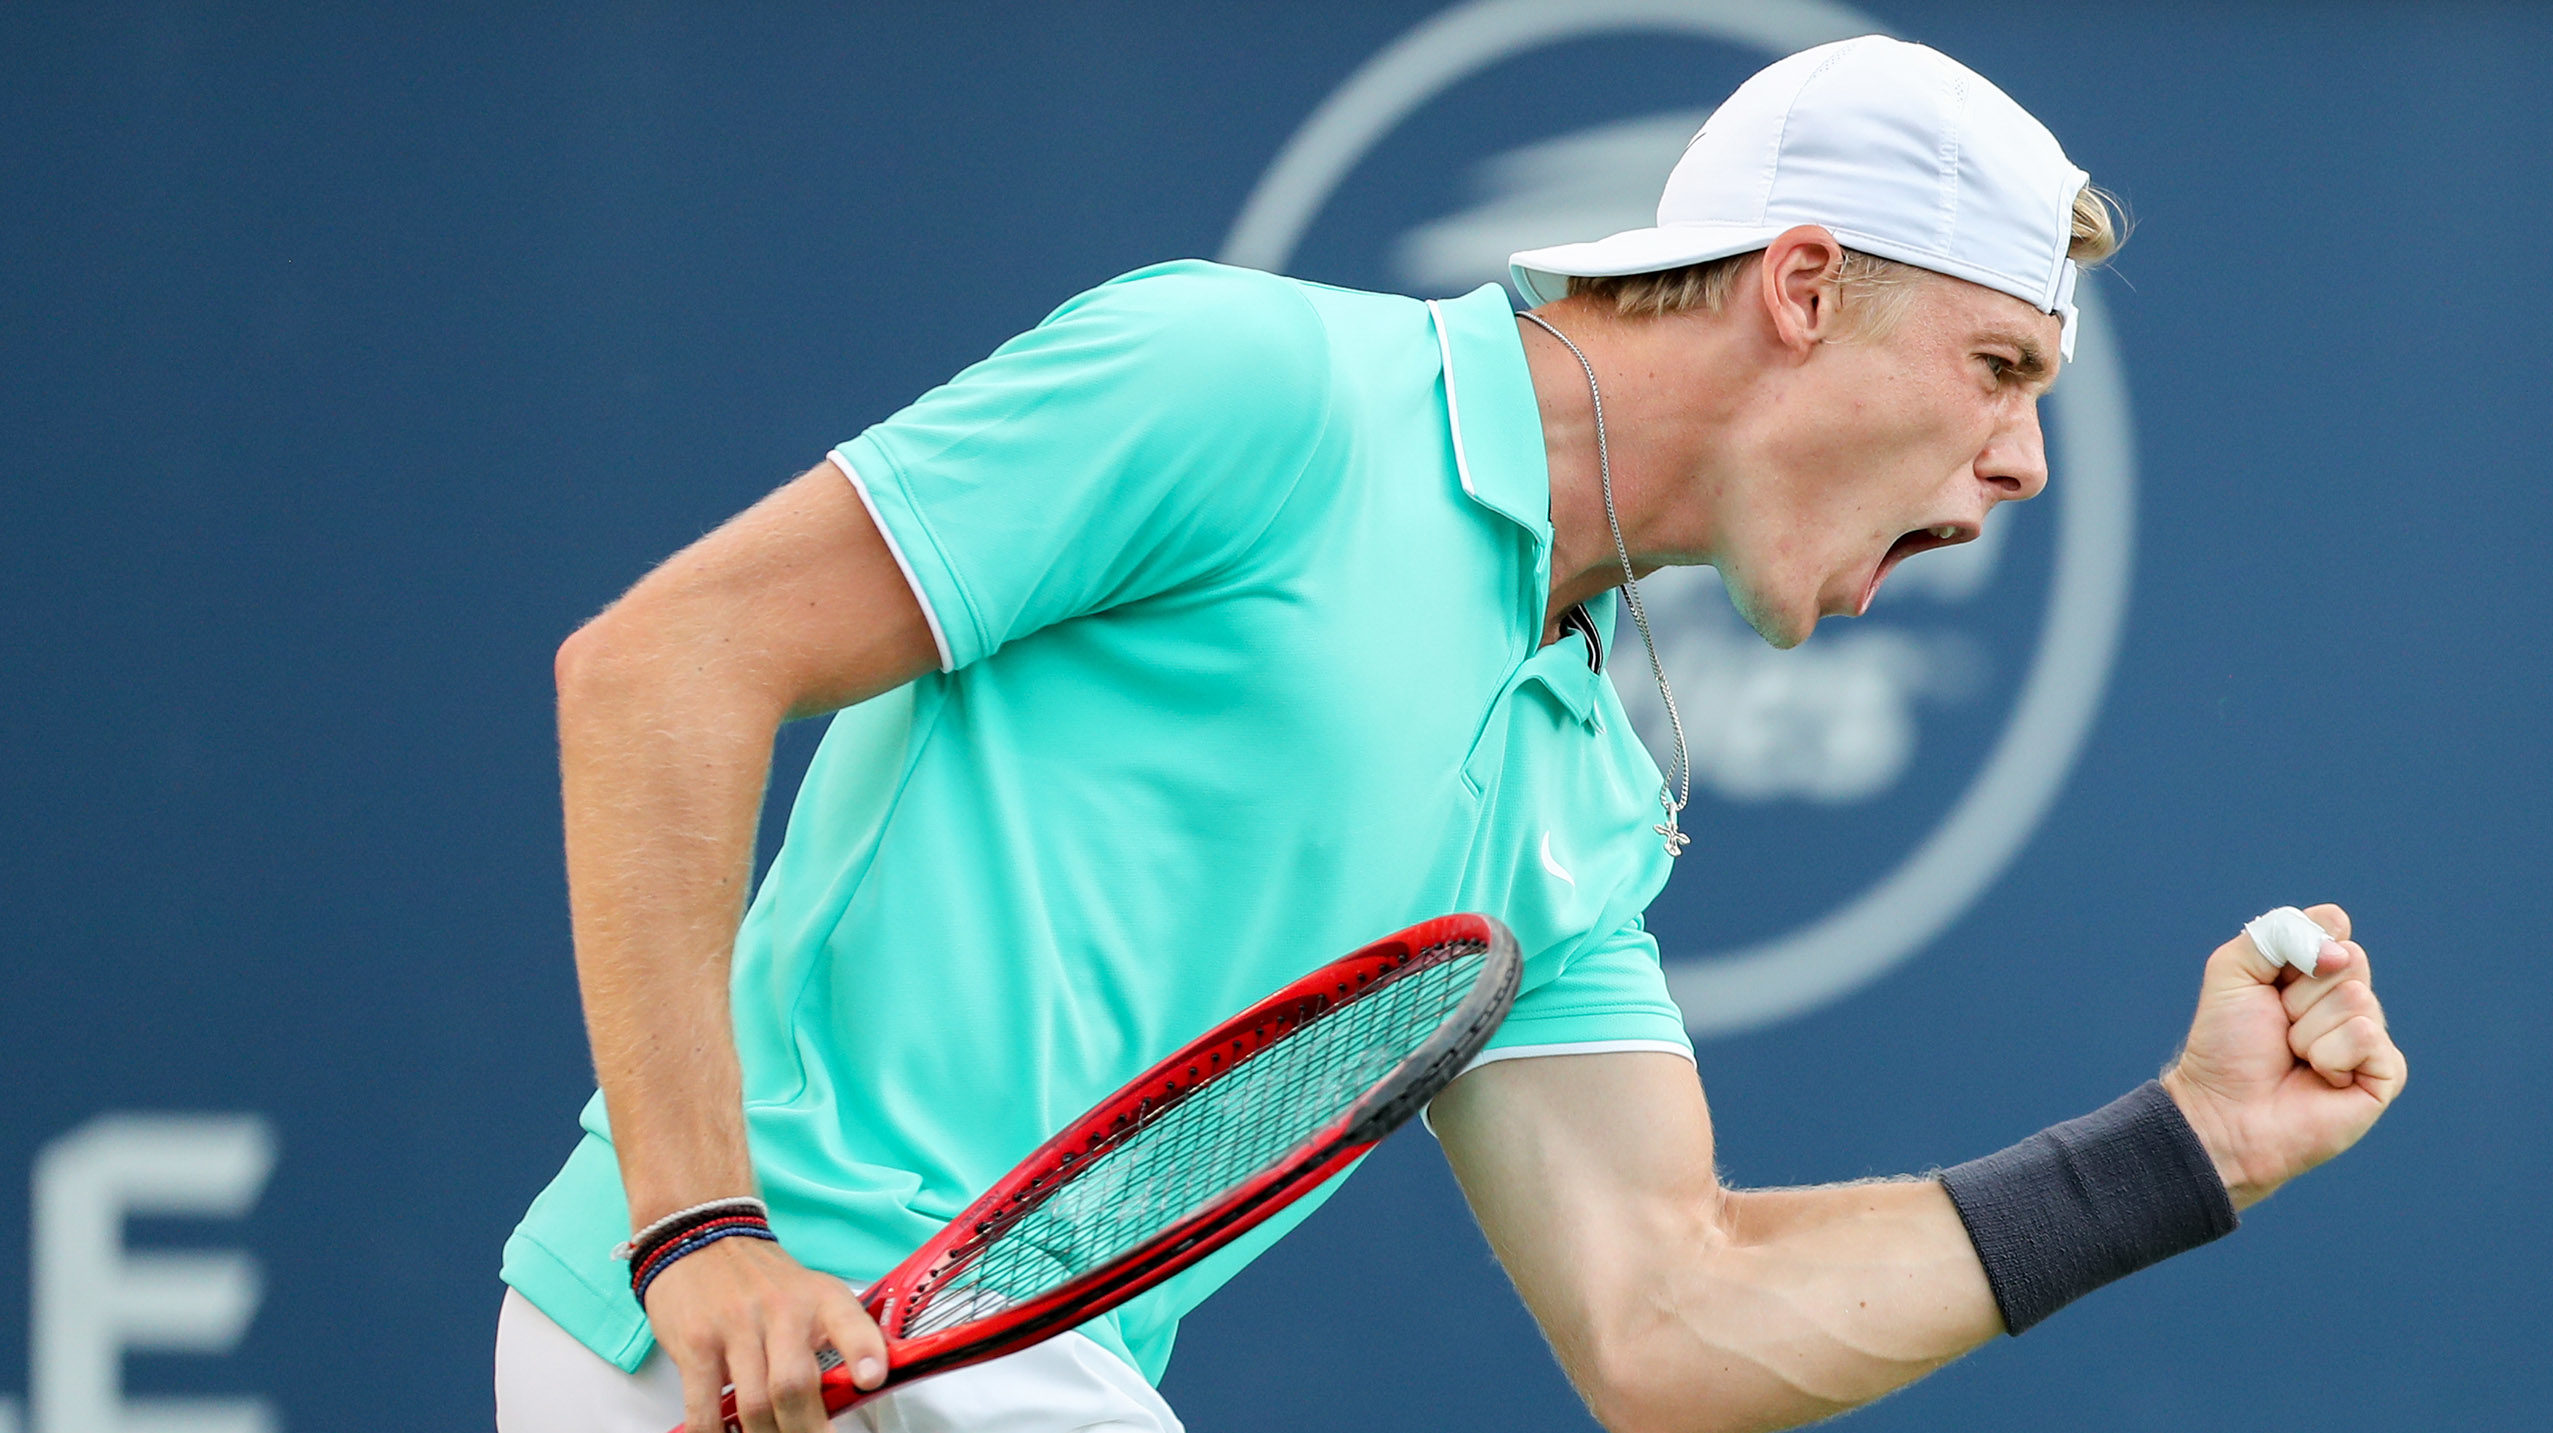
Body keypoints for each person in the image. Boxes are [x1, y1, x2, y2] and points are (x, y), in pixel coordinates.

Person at [495, 36, 2404, 1433]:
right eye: (1999, 365)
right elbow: (662, 665)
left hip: (1006, 1388)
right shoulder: (1252, 387)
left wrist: (2197, 1145)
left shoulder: (1584, 782)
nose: (2025, 459)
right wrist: (703, 1236)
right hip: (723, 1343)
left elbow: (1669, 1314)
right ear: (1802, 287)